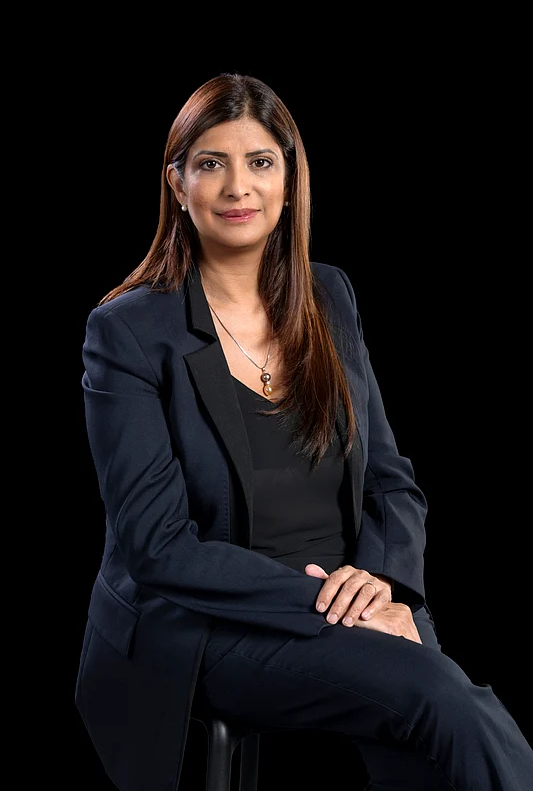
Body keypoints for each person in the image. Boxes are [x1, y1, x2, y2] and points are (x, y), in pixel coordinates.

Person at [75, 72, 533, 791]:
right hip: (211, 625)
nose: (238, 186)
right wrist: (329, 605)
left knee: (449, 730)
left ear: (288, 181)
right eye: (211, 163)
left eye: (260, 161)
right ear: (177, 184)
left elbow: (391, 482)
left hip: (355, 596)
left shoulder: (327, 297)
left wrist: (379, 583)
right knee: (445, 706)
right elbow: (157, 546)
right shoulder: (127, 332)